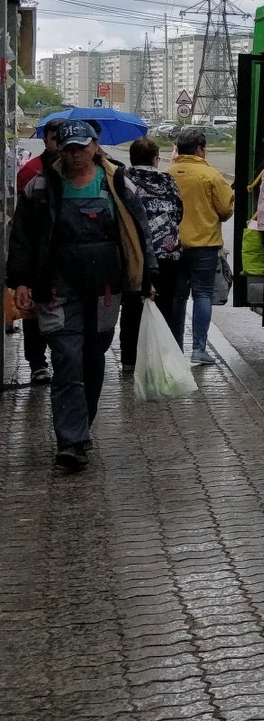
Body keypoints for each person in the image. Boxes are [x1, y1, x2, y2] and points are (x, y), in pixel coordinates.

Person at [6, 120, 156, 472]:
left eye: (81, 148)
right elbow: (22, 237)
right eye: (68, 148)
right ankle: (70, 440)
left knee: (93, 357)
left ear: (95, 147)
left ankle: (81, 427)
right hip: (58, 289)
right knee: (67, 359)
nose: (74, 155)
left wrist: (148, 276)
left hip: (105, 290)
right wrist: (20, 281)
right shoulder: (41, 185)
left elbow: (140, 231)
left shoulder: (118, 183)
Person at [118, 137, 185, 370]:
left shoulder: (124, 178)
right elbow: (178, 211)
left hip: (135, 253)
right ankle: (158, 359)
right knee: (165, 305)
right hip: (168, 251)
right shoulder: (168, 180)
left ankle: (129, 359)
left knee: (132, 306)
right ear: (156, 159)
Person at [170, 126, 235, 364]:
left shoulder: (168, 173)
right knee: (203, 294)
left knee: (177, 297)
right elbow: (227, 209)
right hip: (205, 246)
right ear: (200, 150)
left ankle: (175, 348)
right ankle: (199, 349)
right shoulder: (211, 176)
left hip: (173, 247)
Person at [16, 121, 64, 384]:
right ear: (46, 140)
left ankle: (62, 359)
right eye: (55, 138)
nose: (60, 144)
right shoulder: (32, 170)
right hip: (38, 256)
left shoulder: (78, 171)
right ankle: (37, 362)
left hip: (66, 259)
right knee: (34, 314)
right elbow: (23, 223)